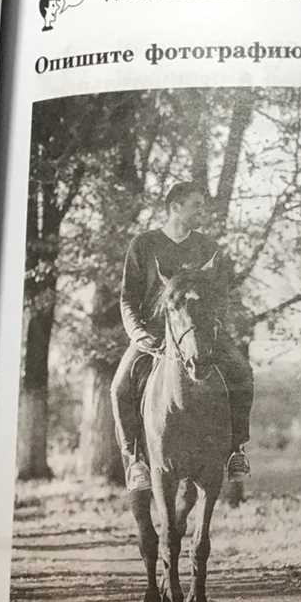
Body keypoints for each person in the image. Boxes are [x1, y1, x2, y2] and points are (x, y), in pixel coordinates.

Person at [110, 182, 255, 491]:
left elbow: (221, 295)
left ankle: (236, 451)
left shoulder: (208, 247)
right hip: (154, 336)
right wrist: (138, 334)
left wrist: (214, 325)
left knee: (242, 371)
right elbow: (128, 298)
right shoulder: (144, 245)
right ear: (175, 206)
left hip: (201, 333)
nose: (202, 211)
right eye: (196, 205)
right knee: (120, 387)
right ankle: (135, 458)